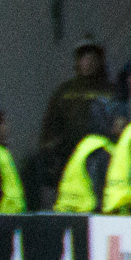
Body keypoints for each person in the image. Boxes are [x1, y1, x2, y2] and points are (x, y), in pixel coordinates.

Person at [37, 40, 112, 192]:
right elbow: (50, 125)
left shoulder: (110, 90)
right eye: (84, 58)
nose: (88, 62)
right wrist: (49, 153)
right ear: (78, 62)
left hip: (100, 158)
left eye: (92, 58)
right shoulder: (64, 92)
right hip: (68, 158)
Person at [52, 98, 124, 213]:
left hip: (67, 211)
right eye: (116, 119)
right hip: (86, 213)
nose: (120, 123)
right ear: (108, 120)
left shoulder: (85, 146)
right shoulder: (101, 149)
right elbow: (99, 187)